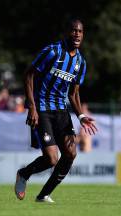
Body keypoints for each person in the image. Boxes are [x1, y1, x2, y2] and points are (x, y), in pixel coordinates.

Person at [14, 19, 97, 203]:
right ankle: (23, 174)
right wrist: (32, 106)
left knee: (70, 154)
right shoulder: (52, 51)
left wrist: (81, 115)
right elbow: (29, 74)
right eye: (73, 30)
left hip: (61, 112)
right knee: (51, 159)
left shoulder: (80, 63)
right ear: (67, 32)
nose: (76, 34)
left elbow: (74, 94)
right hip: (42, 109)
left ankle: (44, 195)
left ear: (83, 35)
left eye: (80, 31)